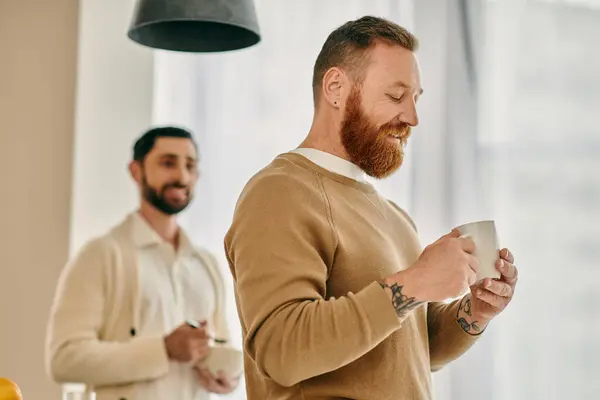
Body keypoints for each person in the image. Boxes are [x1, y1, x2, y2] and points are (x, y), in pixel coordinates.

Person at [224, 16, 519, 400]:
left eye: (415, 99)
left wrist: (474, 313)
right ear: (336, 88)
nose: (412, 118)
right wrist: (416, 282)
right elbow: (283, 351)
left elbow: (406, 348)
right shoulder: (279, 192)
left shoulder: (394, 216)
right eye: (396, 96)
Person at [45, 127, 239, 400]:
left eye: (190, 165)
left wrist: (227, 378)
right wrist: (164, 349)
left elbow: (222, 348)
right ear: (136, 171)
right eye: (168, 163)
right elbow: (63, 359)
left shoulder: (206, 265)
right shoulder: (100, 255)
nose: (182, 176)